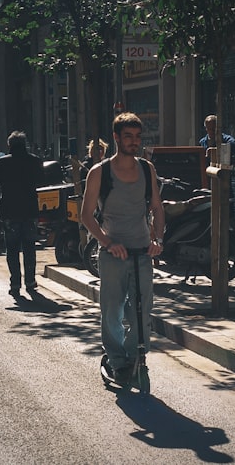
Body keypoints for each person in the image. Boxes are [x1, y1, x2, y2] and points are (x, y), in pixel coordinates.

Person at [80, 112, 166, 383]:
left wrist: (158, 240)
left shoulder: (146, 168)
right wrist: (108, 243)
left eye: (138, 136)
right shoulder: (99, 172)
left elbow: (156, 207)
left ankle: (135, 357)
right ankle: (117, 361)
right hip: (112, 254)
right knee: (112, 310)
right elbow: (86, 216)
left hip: (142, 252)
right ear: (116, 138)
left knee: (141, 311)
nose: (134, 142)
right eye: (128, 136)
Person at [0, 131, 45, 301]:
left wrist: (3, 187)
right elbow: (43, 179)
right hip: (30, 209)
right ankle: (30, 282)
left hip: (9, 211)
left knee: (12, 248)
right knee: (30, 248)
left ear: (9, 145)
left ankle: (15, 283)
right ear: (25, 144)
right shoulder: (34, 161)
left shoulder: (3, 162)